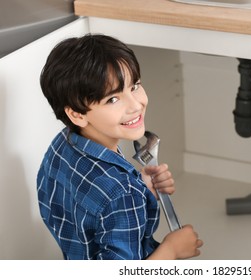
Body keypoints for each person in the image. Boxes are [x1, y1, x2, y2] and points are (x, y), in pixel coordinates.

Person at [37, 34, 203, 260]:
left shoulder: (61, 144)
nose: (135, 105)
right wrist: (171, 250)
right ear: (77, 114)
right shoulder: (121, 194)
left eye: (134, 86)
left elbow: (84, 210)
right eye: (112, 100)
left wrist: (141, 185)